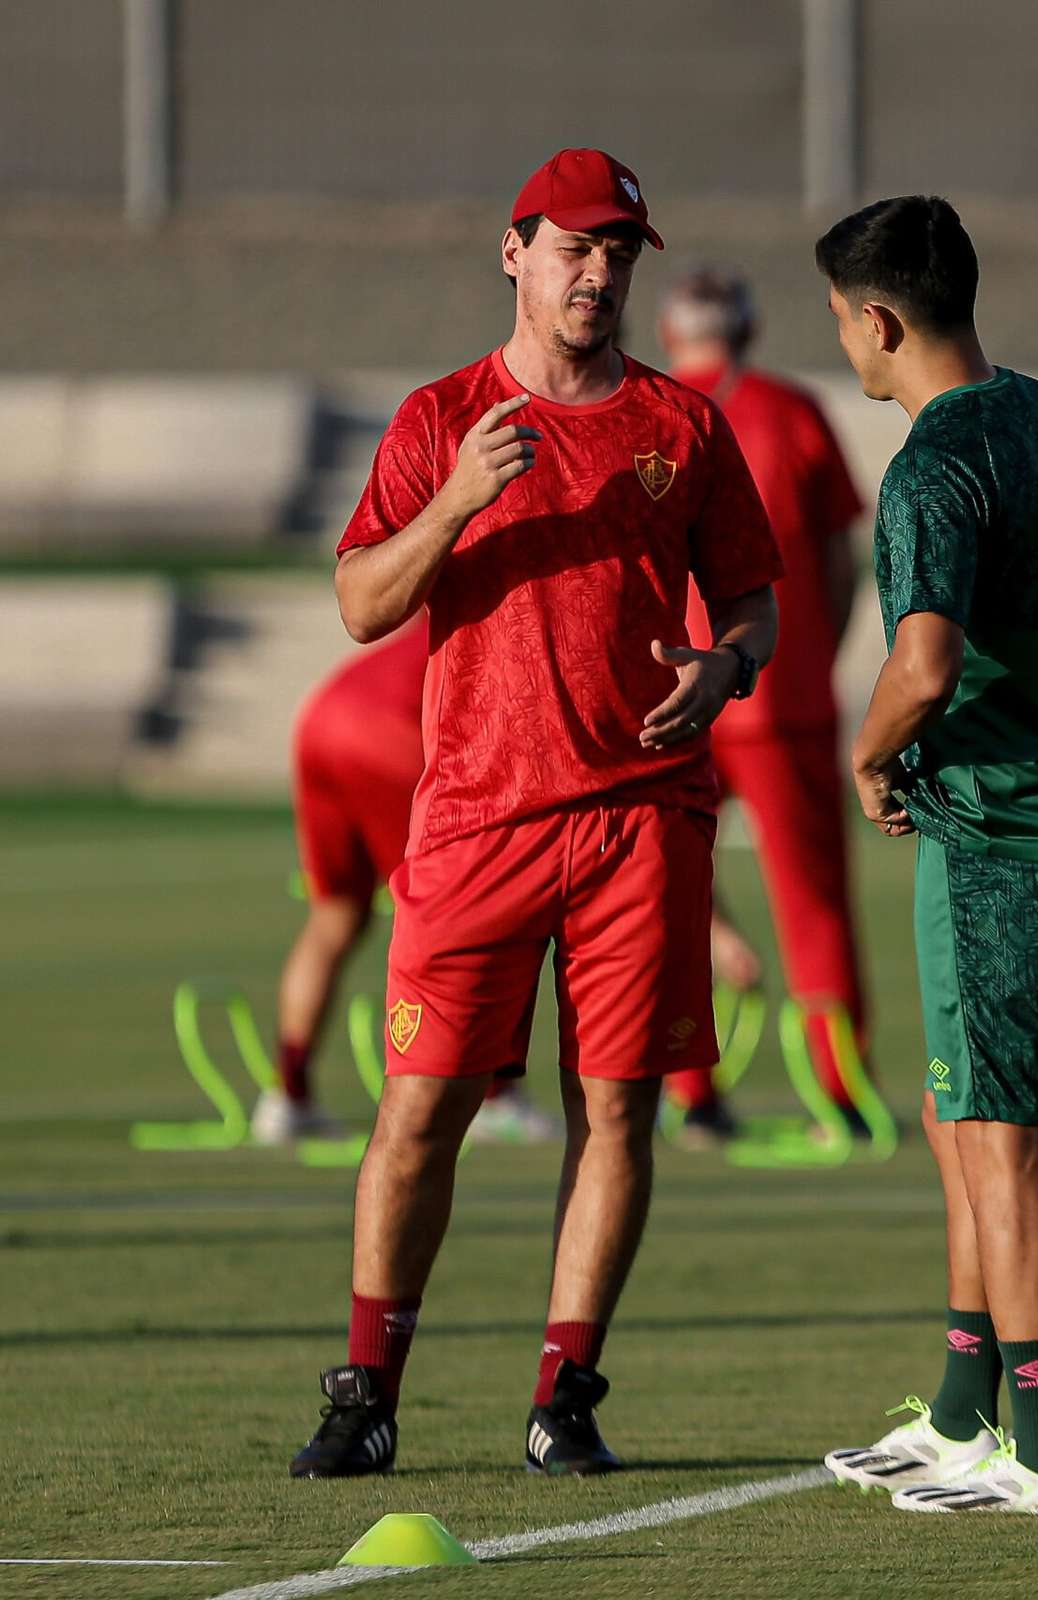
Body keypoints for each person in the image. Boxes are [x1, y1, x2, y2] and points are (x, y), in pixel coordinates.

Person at [289, 147, 782, 1480]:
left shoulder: (683, 425)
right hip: (475, 824)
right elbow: (361, 604)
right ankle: (366, 1390)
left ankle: (564, 1395)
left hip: (640, 823)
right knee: (419, 1113)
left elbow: (755, 603)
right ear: (514, 252)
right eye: (576, 249)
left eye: (620, 251)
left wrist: (727, 666)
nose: (601, 273)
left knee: (615, 1116)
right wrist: (460, 499)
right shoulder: (441, 415)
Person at [815, 196, 1038, 1512]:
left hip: (1003, 845)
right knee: (959, 1113)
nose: (844, 348)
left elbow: (922, 661)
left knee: (1006, 1143)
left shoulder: (932, 461)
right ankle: (967, 1415)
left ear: (882, 319)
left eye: (842, 325)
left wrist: (867, 755)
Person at [656, 268, 869, 1141]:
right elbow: (841, 562)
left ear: (671, 332)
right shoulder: (794, 411)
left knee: (667, 893)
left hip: (676, 693)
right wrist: (817, 650)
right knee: (814, 902)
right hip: (783, 692)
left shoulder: (650, 412)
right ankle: (840, 1091)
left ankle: (687, 1092)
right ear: (748, 328)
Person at [251, 617, 558, 1148]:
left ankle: (287, 1096)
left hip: (322, 720)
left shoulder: (445, 611)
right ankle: (494, 1098)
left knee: (336, 915)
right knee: (479, 903)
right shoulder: (515, 627)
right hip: (386, 729)